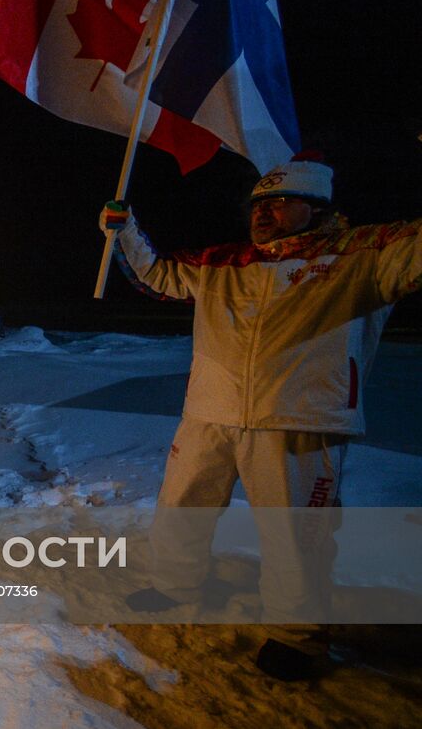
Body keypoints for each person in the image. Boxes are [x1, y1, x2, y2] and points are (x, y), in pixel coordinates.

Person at [102, 154, 422, 681]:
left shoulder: (362, 256)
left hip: (299, 418)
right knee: (182, 507)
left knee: (296, 533)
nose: (264, 214)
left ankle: (296, 636)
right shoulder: (224, 262)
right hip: (210, 411)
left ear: (316, 207)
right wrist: (125, 231)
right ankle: (175, 584)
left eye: (279, 203)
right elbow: (157, 277)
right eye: (258, 205)